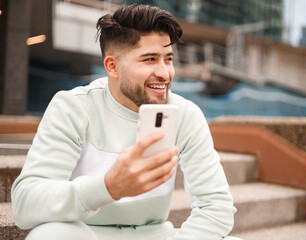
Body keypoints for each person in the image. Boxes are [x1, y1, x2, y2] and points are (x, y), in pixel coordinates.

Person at [11, 4, 241, 240]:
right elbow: (25, 204)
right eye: (150, 59)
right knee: (49, 235)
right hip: (87, 235)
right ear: (112, 66)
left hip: (156, 236)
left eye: (168, 59)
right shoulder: (73, 107)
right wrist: (107, 187)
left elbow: (216, 208)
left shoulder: (185, 114)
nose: (164, 73)